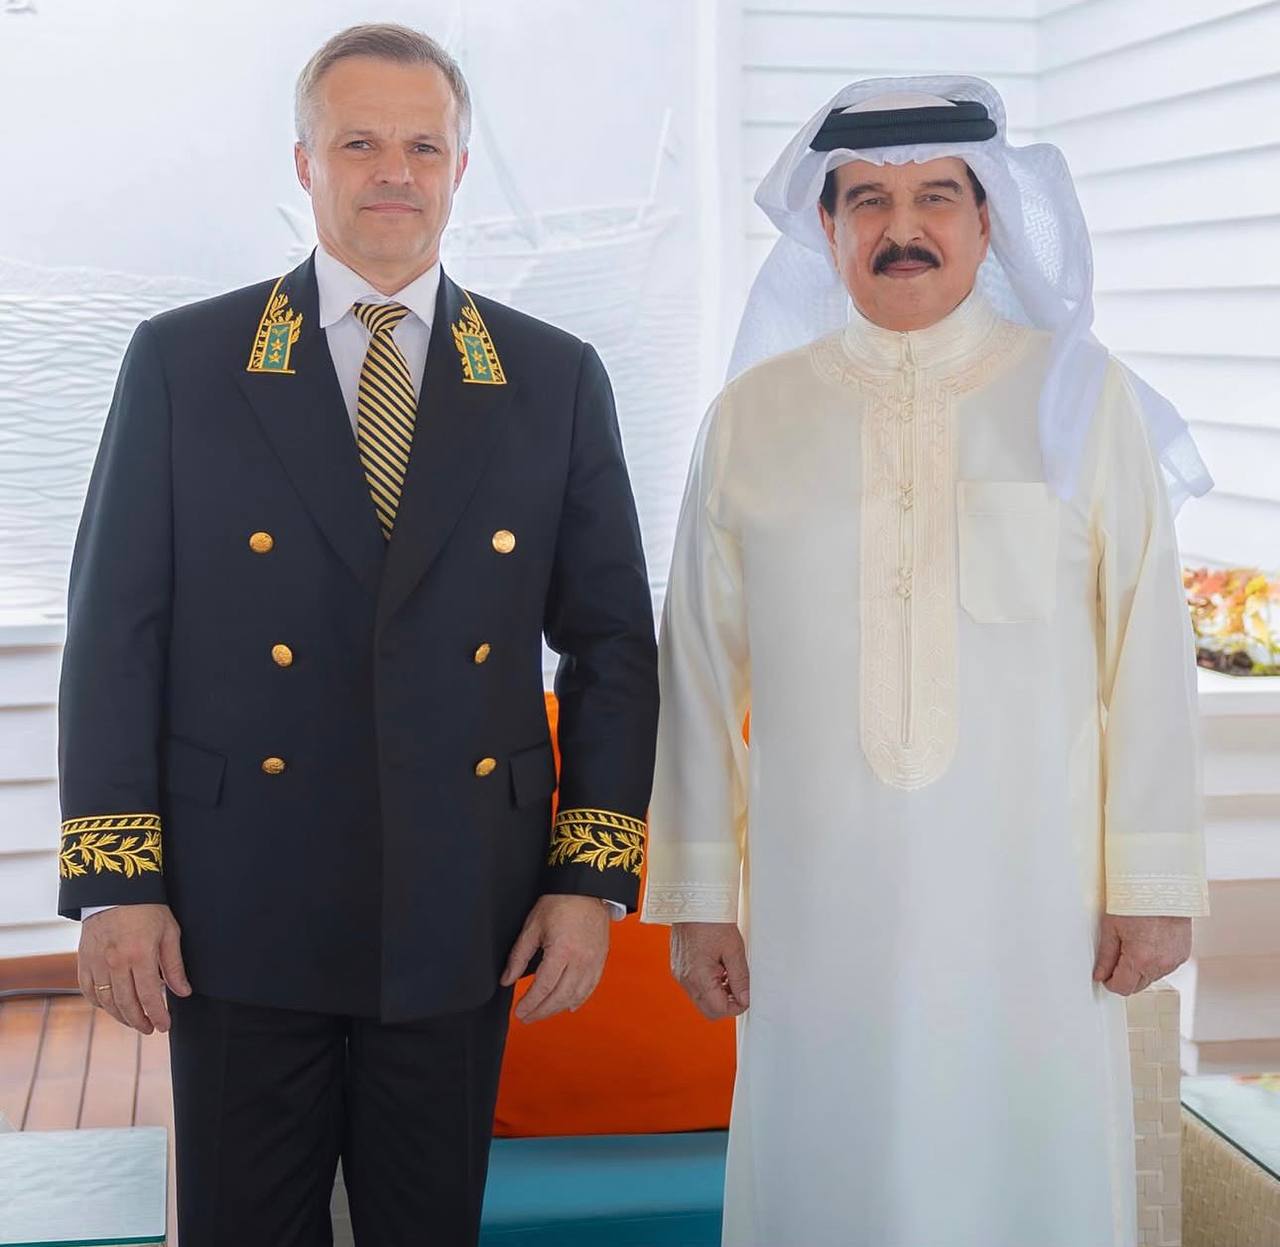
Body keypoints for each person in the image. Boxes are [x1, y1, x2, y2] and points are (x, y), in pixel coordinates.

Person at [56, 23, 657, 1246]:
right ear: (304, 163)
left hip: (461, 900)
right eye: (359, 143)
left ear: (459, 167)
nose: (395, 171)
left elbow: (610, 648)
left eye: (423, 146)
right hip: (236, 897)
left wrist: (588, 878)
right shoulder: (185, 361)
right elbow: (115, 632)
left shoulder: (550, 376)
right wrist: (118, 880)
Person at [642, 76, 1211, 1247]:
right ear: (826, 227)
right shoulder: (750, 418)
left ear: (986, 217)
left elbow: (1147, 652)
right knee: (829, 1172)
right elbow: (694, 671)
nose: (901, 228)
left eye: (934, 198)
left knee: (1024, 1176)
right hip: (816, 910)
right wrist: (698, 901)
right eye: (867, 201)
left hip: (1032, 906)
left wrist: (1152, 882)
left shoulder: (1080, 399)